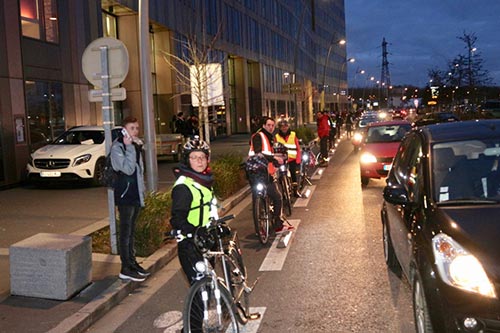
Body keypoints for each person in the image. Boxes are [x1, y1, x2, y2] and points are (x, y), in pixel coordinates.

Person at [169, 137, 218, 332]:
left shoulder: (205, 181)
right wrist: (193, 231)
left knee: (206, 287)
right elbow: (177, 218)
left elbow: (210, 209)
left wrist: (216, 226)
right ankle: (192, 330)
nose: (199, 161)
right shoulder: (184, 186)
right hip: (190, 246)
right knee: (199, 289)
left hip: (206, 241)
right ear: (186, 160)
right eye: (194, 157)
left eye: (202, 157)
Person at [111, 116, 149, 282]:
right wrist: (130, 148)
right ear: (124, 130)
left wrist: (142, 193)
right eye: (132, 128)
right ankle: (125, 267)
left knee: (131, 232)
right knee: (125, 233)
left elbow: (139, 173)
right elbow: (127, 169)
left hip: (135, 195)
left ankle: (132, 263)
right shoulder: (117, 147)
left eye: (137, 128)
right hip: (125, 196)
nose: (136, 131)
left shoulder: (134, 146)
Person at [249, 116, 295, 233]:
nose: (271, 127)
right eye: (268, 125)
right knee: (277, 197)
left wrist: (278, 159)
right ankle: (277, 225)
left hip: (265, 172)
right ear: (263, 126)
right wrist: (274, 157)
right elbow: (259, 154)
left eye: (272, 125)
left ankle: (261, 229)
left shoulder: (270, 138)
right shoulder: (259, 136)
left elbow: (269, 153)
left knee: (260, 198)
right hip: (259, 172)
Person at [275, 119, 302, 197]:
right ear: (279, 128)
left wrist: (298, 159)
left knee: (293, 174)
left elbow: (297, 147)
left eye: (285, 126)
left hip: (292, 159)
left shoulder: (293, 135)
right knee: (281, 175)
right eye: (282, 127)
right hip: (282, 159)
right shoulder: (277, 137)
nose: (284, 128)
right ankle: (284, 191)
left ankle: (295, 191)